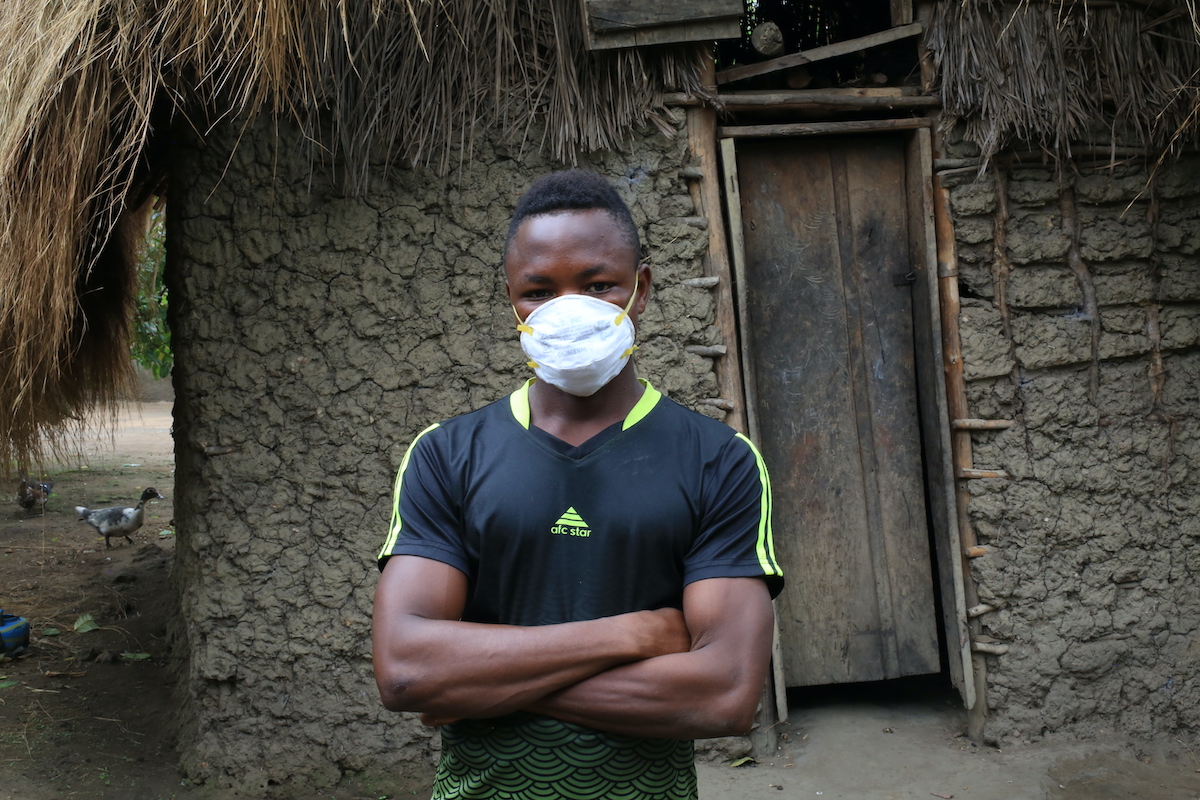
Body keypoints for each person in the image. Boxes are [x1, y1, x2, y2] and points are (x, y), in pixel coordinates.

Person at [372, 168, 783, 800]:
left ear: (640, 289)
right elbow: (405, 674)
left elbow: (724, 696)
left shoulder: (718, 460)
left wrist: (474, 687)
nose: (569, 310)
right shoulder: (445, 455)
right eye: (540, 291)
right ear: (512, 298)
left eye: (598, 285)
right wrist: (634, 635)